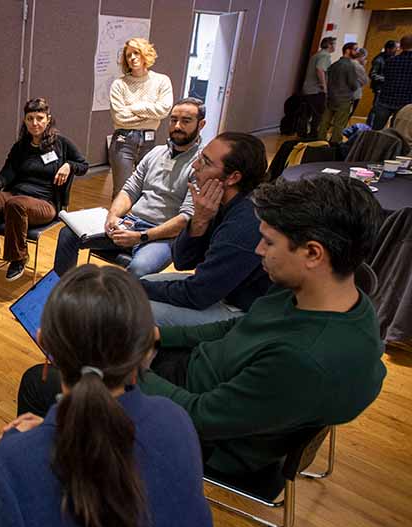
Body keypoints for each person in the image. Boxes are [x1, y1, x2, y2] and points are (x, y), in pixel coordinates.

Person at [0, 266, 213, 527]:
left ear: (46, 344)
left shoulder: (14, 462)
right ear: (145, 350)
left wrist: (33, 442)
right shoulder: (176, 423)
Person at [138, 175, 386, 476]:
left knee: (76, 376)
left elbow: (199, 416)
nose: (258, 250)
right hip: (200, 375)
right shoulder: (315, 292)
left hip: (206, 436)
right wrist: (160, 334)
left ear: (312, 253)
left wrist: (132, 371)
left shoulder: (303, 360)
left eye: (269, 241)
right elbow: (237, 327)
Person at [54, 98, 204, 278]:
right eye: (173, 120)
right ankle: (60, 297)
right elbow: (130, 189)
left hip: (164, 236)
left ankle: (113, 306)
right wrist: (113, 215)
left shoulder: (202, 165)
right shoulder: (156, 153)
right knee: (68, 234)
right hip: (131, 224)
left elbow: (185, 219)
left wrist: (141, 236)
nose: (177, 126)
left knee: (138, 269)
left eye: (186, 121)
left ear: (201, 124)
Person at [139, 132, 272, 327]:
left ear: (233, 178)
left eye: (206, 162)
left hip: (245, 311)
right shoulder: (216, 203)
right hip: (223, 292)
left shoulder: (245, 222)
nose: (195, 166)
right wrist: (199, 221)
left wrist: (135, 287)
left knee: (135, 308)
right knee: (142, 284)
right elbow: (182, 261)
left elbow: (198, 294)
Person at [0, 98, 89, 281]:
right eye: (30, 118)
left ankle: (18, 257)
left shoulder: (61, 143)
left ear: (48, 119)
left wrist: (69, 165)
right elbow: (9, 171)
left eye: (39, 118)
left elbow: (83, 165)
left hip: (45, 203)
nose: (35, 123)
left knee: (15, 204)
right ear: (24, 120)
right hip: (16, 195)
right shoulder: (21, 147)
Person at [108, 37, 174, 197]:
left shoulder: (162, 81)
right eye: (128, 55)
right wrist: (150, 116)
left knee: (146, 189)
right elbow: (120, 117)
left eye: (136, 53)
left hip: (149, 141)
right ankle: (115, 222)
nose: (132, 58)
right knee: (122, 191)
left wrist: (136, 108)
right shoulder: (119, 84)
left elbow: (164, 109)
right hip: (123, 141)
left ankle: (138, 222)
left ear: (145, 54)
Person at [318, 42, 360, 144]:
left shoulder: (334, 65)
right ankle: (335, 144)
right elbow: (353, 84)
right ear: (347, 50)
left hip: (331, 97)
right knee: (339, 124)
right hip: (344, 99)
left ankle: (319, 141)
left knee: (325, 122)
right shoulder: (350, 66)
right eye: (355, 49)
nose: (357, 52)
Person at [371, 35, 412, 130]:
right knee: (397, 131)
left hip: (386, 99)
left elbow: (386, 77)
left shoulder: (390, 61)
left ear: (401, 46)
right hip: (405, 103)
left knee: (377, 129)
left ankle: (373, 144)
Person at [301, 37, 336, 139]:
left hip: (308, 89)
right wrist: (324, 86)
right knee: (318, 114)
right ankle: (313, 135)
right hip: (316, 90)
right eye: (334, 44)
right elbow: (320, 69)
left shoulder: (316, 55)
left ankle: (302, 134)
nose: (335, 47)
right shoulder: (325, 56)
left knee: (307, 114)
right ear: (329, 45)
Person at [368, 40, 397, 127]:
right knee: (376, 109)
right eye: (395, 48)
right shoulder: (379, 60)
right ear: (388, 49)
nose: (396, 51)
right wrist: (387, 79)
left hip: (385, 88)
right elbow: (372, 75)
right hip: (379, 88)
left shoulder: (390, 58)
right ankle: (370, 127)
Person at [351, 47, 369, 117]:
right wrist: (363, 66)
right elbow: (365, 81)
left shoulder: (348, 62)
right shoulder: (358, 66)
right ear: (362, 56)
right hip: (354, 93)